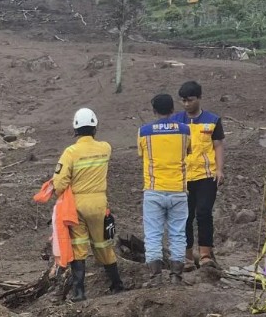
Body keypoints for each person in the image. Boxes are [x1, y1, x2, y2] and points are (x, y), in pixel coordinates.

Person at [52, 107, 125, 301]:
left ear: (75, 129)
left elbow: (59, 184)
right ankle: (117, 285)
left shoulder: (70, 152)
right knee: (103, 245)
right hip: (99, 203)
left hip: (77, 205)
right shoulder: (105, 148)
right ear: (95, 127)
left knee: (79, 246)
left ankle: (79, 292)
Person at [138, 94, 191, 284]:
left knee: (153, 233)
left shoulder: (144, 132)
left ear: (154, 111)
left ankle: (155, 277)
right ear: (172, 110)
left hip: (153, 190)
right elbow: (188, 150)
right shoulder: (185, 130)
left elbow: (141, 153)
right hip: (178, 190)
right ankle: (176, 276)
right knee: (178, 233)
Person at [174, 80, 225, 270]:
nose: (186, 104)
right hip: (183, 176)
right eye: (183, 101)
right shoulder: (176, 120)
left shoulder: (212, 120)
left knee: (204, 213)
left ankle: (205, 254)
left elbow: (218, 145)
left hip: (206, 175)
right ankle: (187, 256)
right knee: (184, 215)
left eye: (190, 100)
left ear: (199, 98)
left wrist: (220, 169)